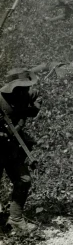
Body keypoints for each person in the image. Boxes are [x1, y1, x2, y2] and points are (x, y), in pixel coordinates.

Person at [0, 69, 41, 233]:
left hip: (13, 147)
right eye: (20, 87)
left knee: (24, 179)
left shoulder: (26, 93)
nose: (25, 90)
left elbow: (36, 96)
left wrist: (34, 107)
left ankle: (15, 219)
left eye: (26, 86)